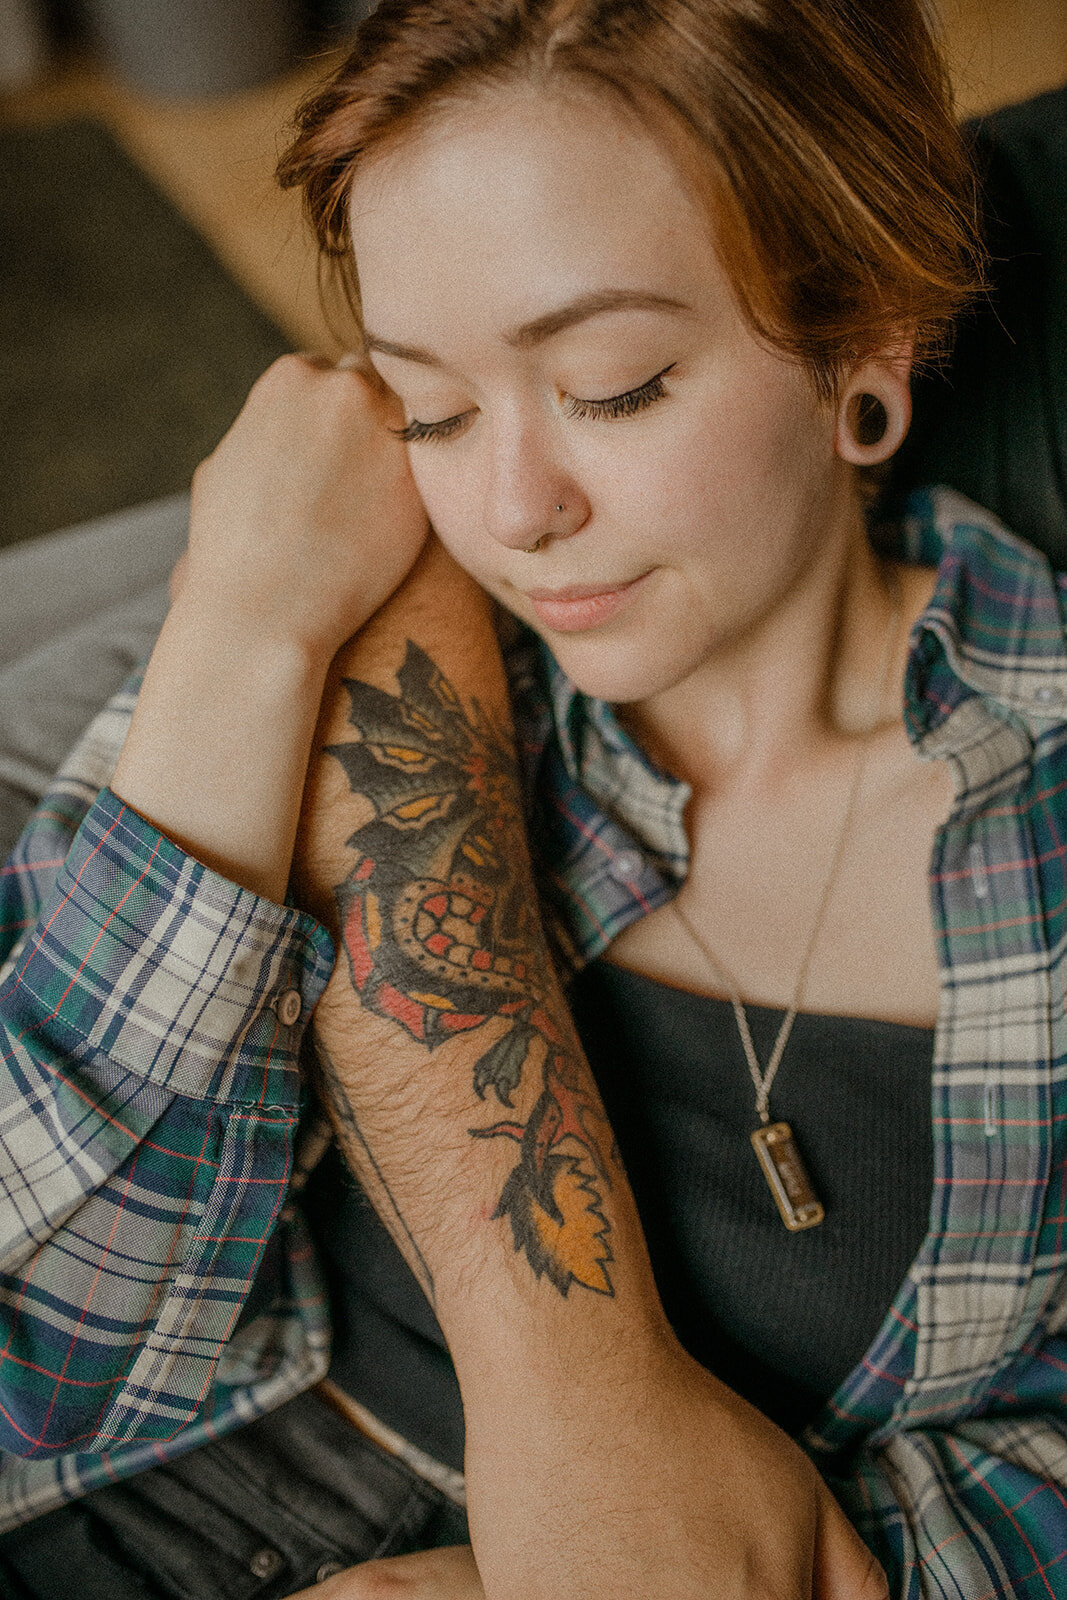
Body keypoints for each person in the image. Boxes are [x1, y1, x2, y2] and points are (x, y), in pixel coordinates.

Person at [0, 2, 1064, 1596]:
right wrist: (238, 627)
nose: (512, 508)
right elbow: (34, 1349)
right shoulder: (360, 618)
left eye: (616, 386)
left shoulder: (1032, 836)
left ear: (865, 339)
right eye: (430, 404)